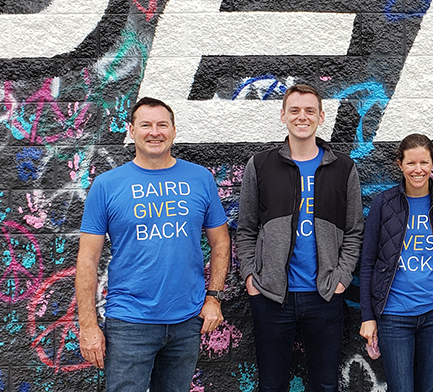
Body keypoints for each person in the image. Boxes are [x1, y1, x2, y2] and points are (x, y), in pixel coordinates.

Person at [76, 96, 230, 392]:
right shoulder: (107, 185)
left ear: (174, 131)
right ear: (131, 130)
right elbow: (87, 260)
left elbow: (221, 240)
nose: (154, 132)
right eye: (145, 125)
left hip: (187, 320)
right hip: (129, 323)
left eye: (162, 125)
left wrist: (213, 297)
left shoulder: (200, 178)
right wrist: (88, 326)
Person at [236, 84, 363, 392]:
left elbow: (354, 231)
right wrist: (252, 276)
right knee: (272, 384)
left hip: (324, 295)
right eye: (294, 110)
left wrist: (342, 277)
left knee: (324, 384)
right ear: (283, 115)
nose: (301, 117)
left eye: (309, 111)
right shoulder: (261, 165)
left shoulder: (343, 168)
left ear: (321, 117)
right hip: (271, 296)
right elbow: (246, 228)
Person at [358, 134, 433, 392]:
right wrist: (368, 316)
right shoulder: (383, 204)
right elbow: (367, 262)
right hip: (394, 314)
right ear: (400, 164)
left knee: (430, 388)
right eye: (411, 163)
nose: (418, 170)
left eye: (424, 162)